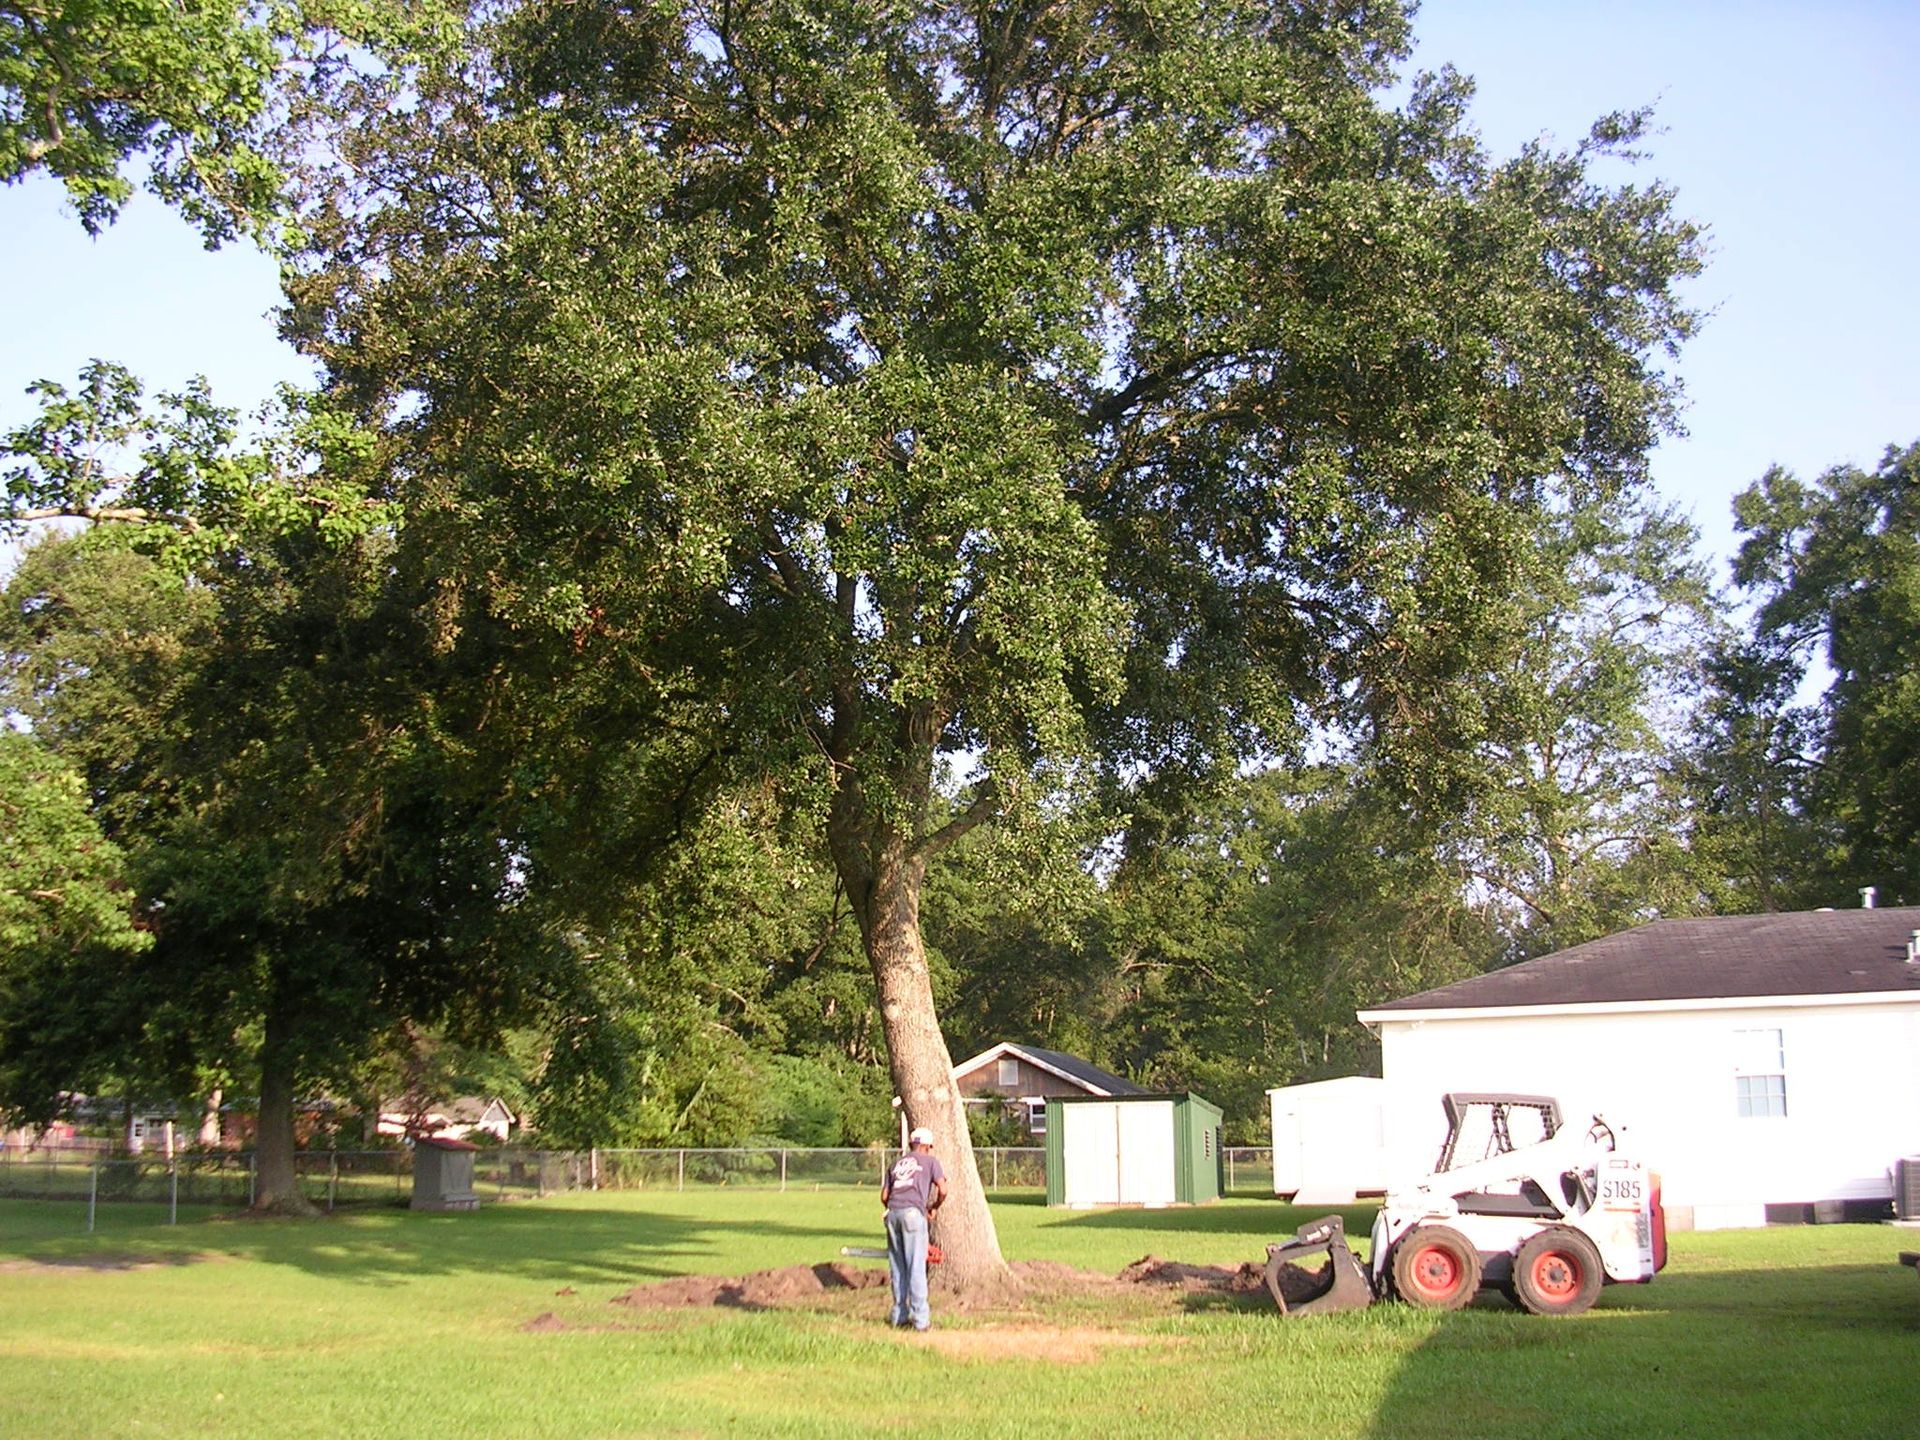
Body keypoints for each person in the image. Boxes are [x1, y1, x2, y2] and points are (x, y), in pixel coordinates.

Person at [881, 1125, 948, 1331]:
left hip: (892, 1214)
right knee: (916, 1266)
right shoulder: (930, 1162)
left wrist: (895, 1210)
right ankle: (921, 1321)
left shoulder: (896, 1163)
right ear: (927, 1145)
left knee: (898, 1267)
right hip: (913, 1214)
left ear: (912, 1143)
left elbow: (884, 1196)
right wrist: (933, 1207)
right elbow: (943, 1190)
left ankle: (899, 1316)